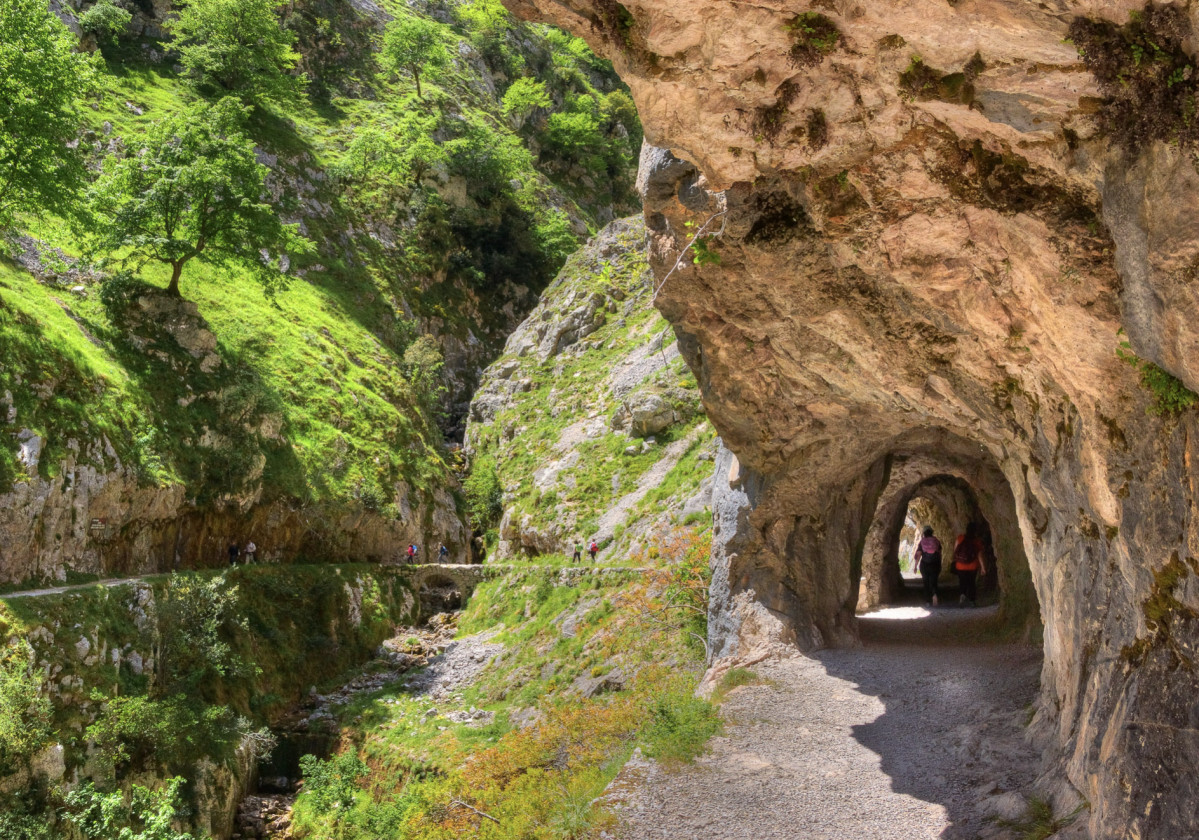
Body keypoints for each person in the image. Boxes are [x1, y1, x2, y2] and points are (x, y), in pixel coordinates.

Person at [952, 523, 987, 607]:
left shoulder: (960, 538)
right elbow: (980, 555)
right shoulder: (977, 541)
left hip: (960, 565)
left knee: (962, 581)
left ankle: (962, 595)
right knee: (971, 582)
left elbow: (955, 551)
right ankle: (972, 601)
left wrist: (955, 560)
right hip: (973, 566)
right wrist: (983, 567)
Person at [913, 526, 943, 607]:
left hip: (925, 564)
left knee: (926, 582)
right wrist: (940, 563)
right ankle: (935, 594)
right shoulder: (936, 541)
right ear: (932, 532)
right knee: (934, 581)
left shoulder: (922, 542)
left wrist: (915, 566)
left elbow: (919, 554)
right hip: (935, 563)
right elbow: (940, 553)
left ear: (924, 533)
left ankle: (927, 601)